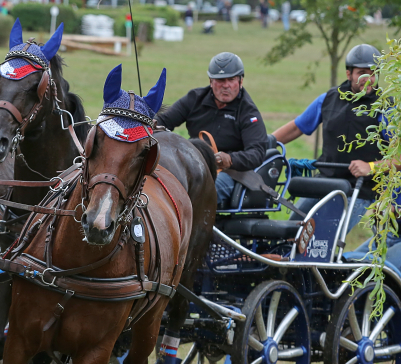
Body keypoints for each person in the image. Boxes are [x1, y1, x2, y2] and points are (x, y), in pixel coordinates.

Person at [270, 44, 386, 228]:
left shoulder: (387, 110)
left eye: (373, 73)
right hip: (323, 184)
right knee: (293, 233)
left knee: (325, 242)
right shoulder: (327, 99)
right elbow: (296, 128)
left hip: (358, 190)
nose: (369, 79)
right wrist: (263, 145)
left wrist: (371, 167)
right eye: (362, 73)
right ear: (349, 74)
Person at [156, 52, 268, 208]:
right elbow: (163, 120)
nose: (226, 85)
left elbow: (257, 153)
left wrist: (230, 159)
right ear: (211, 81)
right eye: (220, 80)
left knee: (199, 192)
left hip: (230, 173)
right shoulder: (195, 98)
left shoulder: (249, 113)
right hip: (194, 164)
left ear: (241, 81)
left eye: (231, 80)